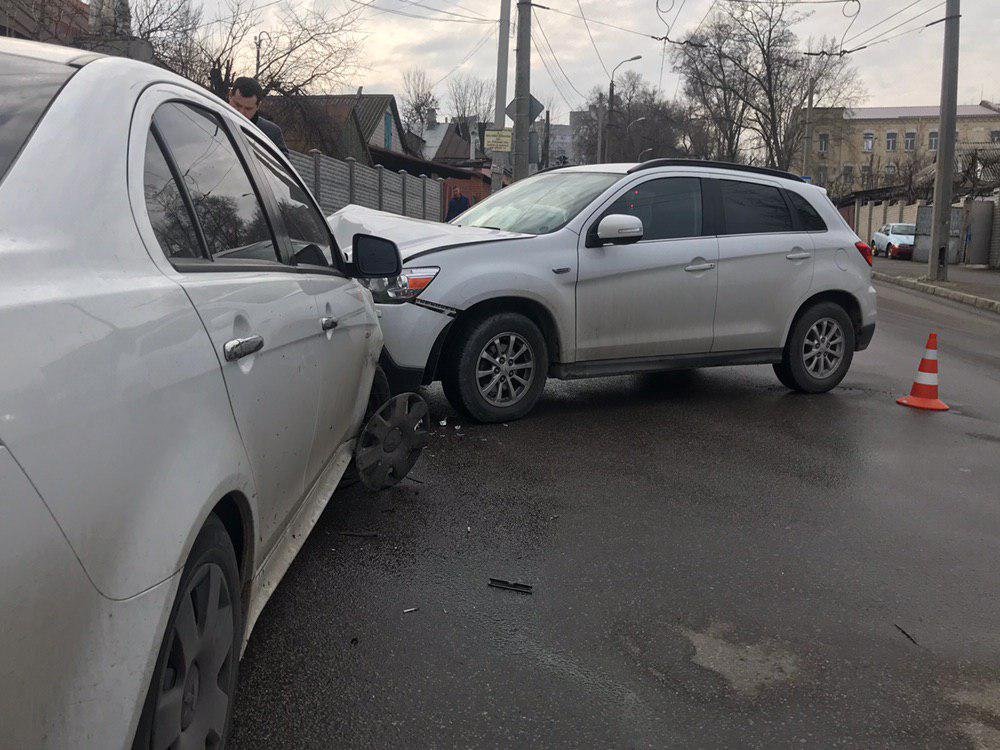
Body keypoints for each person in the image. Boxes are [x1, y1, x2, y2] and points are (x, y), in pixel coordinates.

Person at [228, 77, 289, 156]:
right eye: (237, 105)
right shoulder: (211, 116)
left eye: (248, 109)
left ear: (258, 106)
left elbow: (281, 167)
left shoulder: (271, 133)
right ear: (229, 96)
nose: (241, 113)